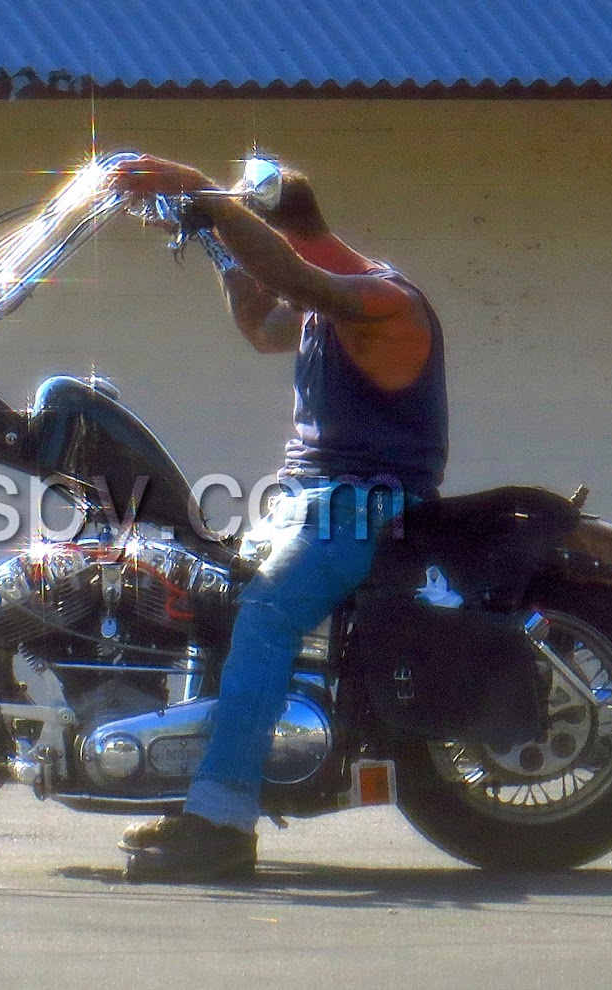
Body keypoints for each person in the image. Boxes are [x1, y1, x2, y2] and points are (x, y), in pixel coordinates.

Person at [110, 154, 449, 879]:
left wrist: (203, 195)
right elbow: (263, 326)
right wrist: (211, 239)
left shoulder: (384, 300)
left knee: (265, 614)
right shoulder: (322, 309)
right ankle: (196, 791)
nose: (253, 262)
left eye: (251, 241)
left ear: (282, 237)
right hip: (305, 501)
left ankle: (224, 822)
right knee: (208, 601)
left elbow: (290, 278)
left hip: (366, 505)